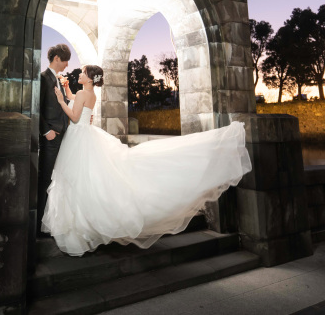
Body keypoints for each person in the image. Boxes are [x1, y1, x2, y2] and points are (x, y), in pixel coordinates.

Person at [41, 65, 252, 257]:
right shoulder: (90, 94)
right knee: (85, 181)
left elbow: (75, 116)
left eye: (83, 72)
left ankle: (80, 227)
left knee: (78, 181)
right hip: (84, 136)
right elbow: (78, 103)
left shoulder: (82, 94)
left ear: (89, 78)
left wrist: (61, 101)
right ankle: (84, 226)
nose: (79, 74)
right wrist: (67, 91)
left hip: (78, 138)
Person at [37, 43, 71, 237]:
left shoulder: (58, 79)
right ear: (57, 58)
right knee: (46, 179)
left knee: (57, 180)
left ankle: (52, 222)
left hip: (63, 138)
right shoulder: (43, 78)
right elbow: (37, 107)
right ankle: (39, 227)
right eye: (66, 60)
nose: (67, 65)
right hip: (50, 138)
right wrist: (45, 131)